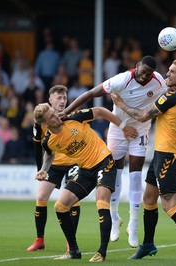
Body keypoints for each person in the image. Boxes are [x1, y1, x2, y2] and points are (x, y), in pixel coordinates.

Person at [111, 59, 176, 262]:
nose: (167, 74)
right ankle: (148, 244)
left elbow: (142, 116)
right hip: (159, 153)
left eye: (172, 72)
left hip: (168, 155)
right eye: (168, 71)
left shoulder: (173, 97)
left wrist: (121, 104)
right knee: (149, 199)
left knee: (169, 206)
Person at [60, 55, 167, 248]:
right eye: (143, 72)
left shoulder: (159, 81)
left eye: (149, 73)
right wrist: (66, 111)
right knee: (114, 173)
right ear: (136, 67)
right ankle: (115, 218)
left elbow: (172, 95)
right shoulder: (122, 79)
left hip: (141, 130)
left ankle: (133, 225)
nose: (145, 76)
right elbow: (91, 94)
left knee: (135, 175)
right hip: (118, 128)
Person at [32, 103, 137, 262]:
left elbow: (100, 111)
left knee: (101, 202)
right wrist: (44, 169)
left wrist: (123, 126)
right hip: (85, 170)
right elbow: (49, 154)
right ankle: (73, 250)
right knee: (60, 206)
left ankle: (102, 252)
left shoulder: (74, 118)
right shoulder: (49, 141)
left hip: (104, 162)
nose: (57, 115)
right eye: (52, 116)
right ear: (45, 124)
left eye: (55, 112)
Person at [27, 85, 83, 253]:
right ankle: (39, 240)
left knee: (72, 200)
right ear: (50, 100)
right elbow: (38, 147)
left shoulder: (70, 116)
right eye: (58, 98)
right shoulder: (41, 120)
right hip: (53, 163)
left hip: (73, 162)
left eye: (64, 98)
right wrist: (41, 170)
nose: (62, 101)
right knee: (41, 196)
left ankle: (70, 241)